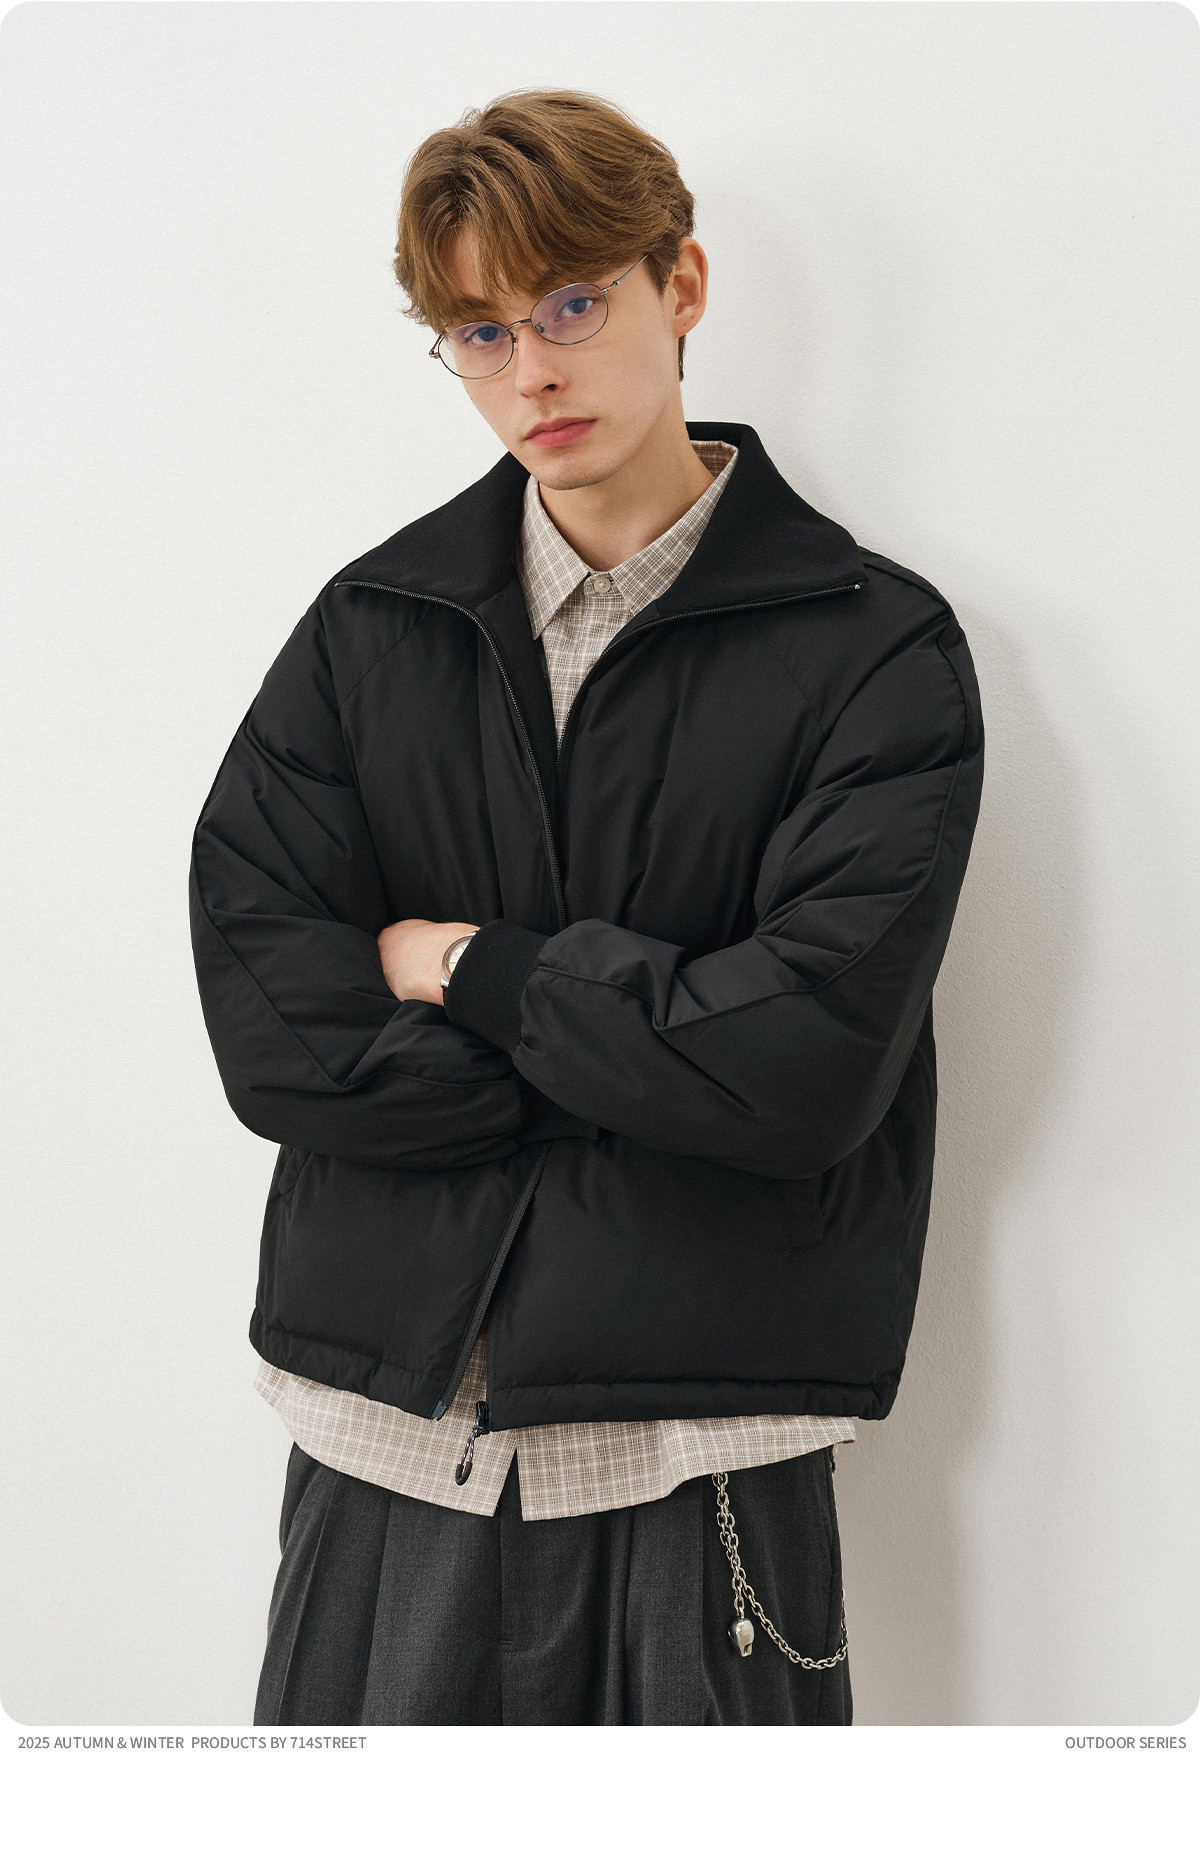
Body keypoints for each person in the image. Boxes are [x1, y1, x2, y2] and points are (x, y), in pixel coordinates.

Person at [189, 89, 984, 1726]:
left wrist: (469, 968)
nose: (531, 373)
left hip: (699, 1440)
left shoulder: (875, 650)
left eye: (569, 305)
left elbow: (803, 1065)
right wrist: (631, 1065)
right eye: (480, 332)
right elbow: (272, 1021)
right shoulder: (371, 626)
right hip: (387, 1428)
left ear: (678, 284)